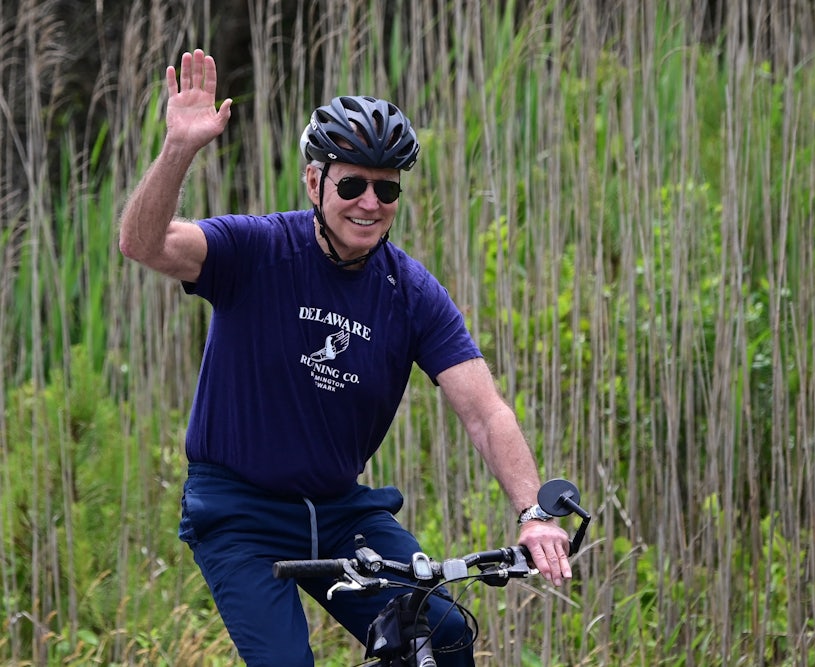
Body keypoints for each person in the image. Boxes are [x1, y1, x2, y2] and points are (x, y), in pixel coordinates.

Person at [118, 49, 572, 666]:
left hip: (338, 510)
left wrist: (535, 510)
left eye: (386, 189)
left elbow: (484, 411)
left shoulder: (410, 293)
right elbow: (143, 243)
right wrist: (179, 149)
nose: (369, 203)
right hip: (239, 514)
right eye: (352, 183)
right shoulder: (255, 250)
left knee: (441, 635)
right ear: (314, 181)